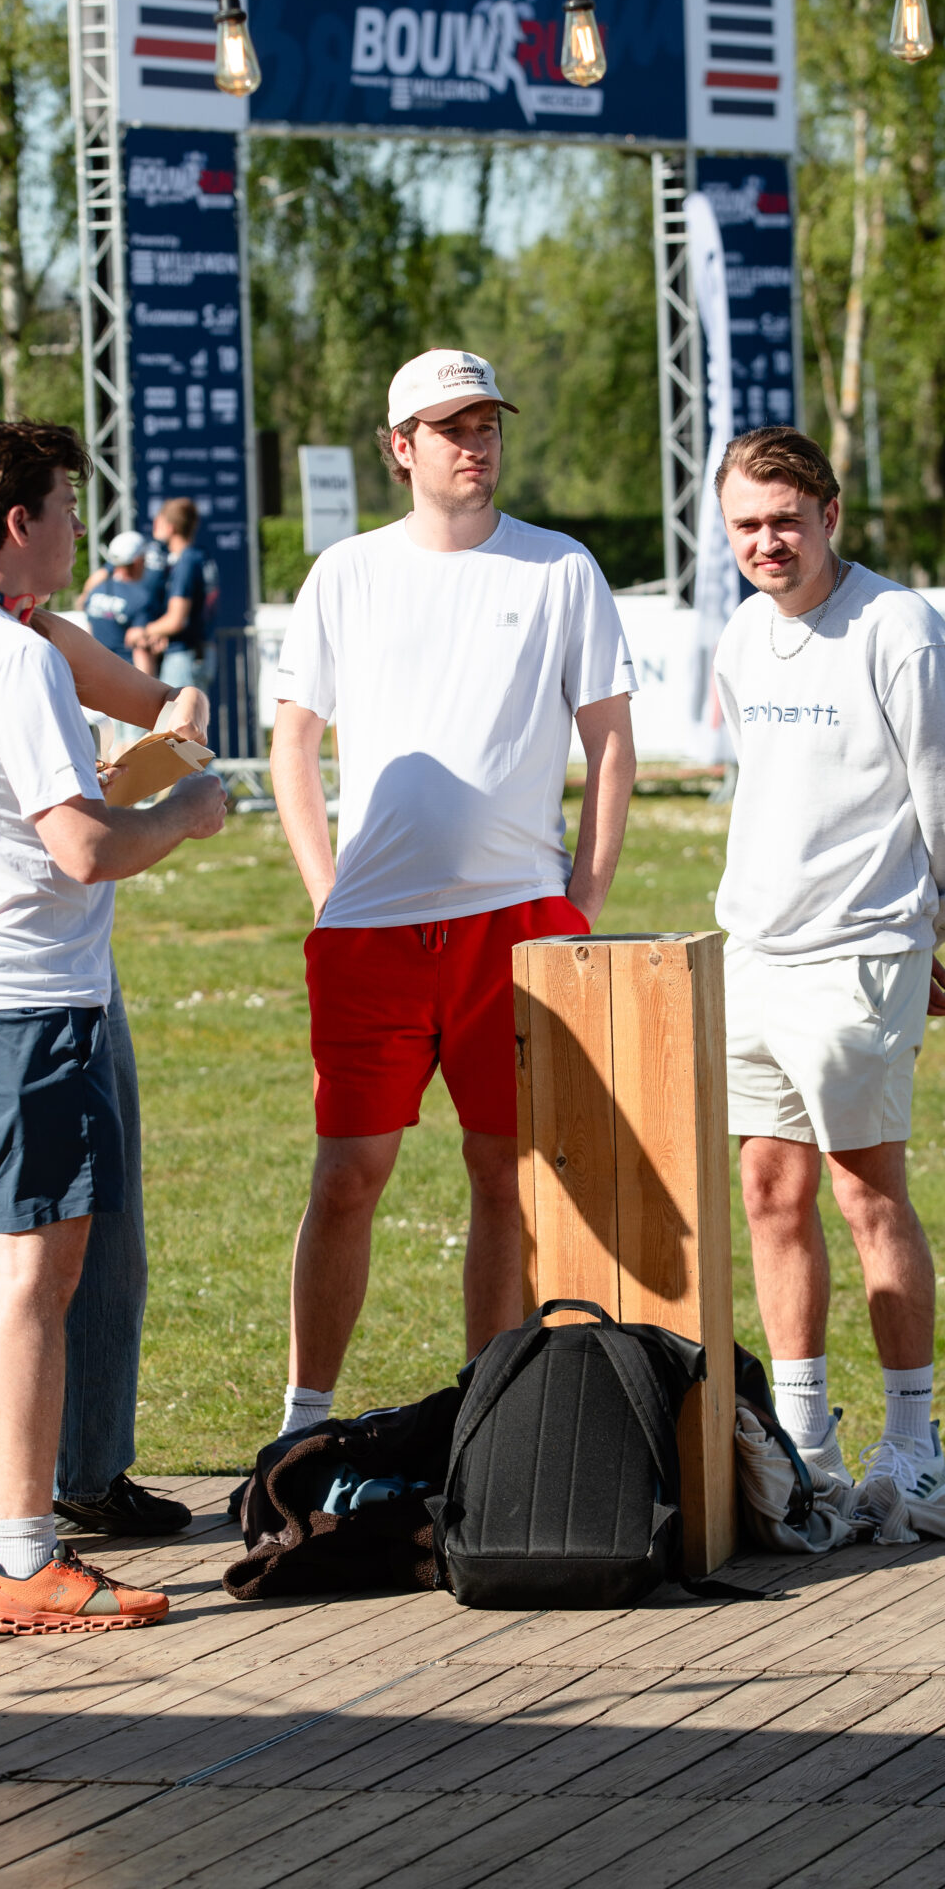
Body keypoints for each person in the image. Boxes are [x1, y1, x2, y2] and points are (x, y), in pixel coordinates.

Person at [0, 419, 226, 1632]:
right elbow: (83, 846)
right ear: (20, 522)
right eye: (68, 507)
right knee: (32, 1278)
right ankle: (24, 1560)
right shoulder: (14, 659)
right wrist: (183, 811)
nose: (80, 528)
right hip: (25, 1004)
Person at [269, 347, 638, 1438]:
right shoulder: (347, 572)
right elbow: (293, 741)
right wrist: (326, 889)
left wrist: (580, 905)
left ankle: (487, 1427)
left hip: (517, 924)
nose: (475, 445)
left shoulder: (560, 567)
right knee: (347, 1176)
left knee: (506, 1177)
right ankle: (302, 1419)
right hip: (370, 932)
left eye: (487, 425)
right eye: (451, 428)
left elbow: (611, 743)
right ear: (401, 447)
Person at [711, 424, 945, 1529]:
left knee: (865, 1193)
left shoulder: (899, 629)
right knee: (769, 1191)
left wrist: (930, 929)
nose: (767, 542)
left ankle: (916, 1455)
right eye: (746, 525)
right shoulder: (742, 636)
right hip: (755, 956)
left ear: (829, 515)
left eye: (787, 521)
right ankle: (809, 1452)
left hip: (859, 955)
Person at [133, 498, 217, 690]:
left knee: (176, 710)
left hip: (184, 657)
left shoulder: (186, 562)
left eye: (158, 523)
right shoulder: (200, 556)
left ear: (170, 527)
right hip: (198, 652)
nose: (154, 528)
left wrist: (142, 632)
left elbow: (176, 620)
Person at [76, 528, 162, 674]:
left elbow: (90, 632)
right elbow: (140, 649)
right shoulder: (141, 598)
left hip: (96, 671)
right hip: (126, 675)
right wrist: (147, 686)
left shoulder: (96, 591)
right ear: (138, 561)